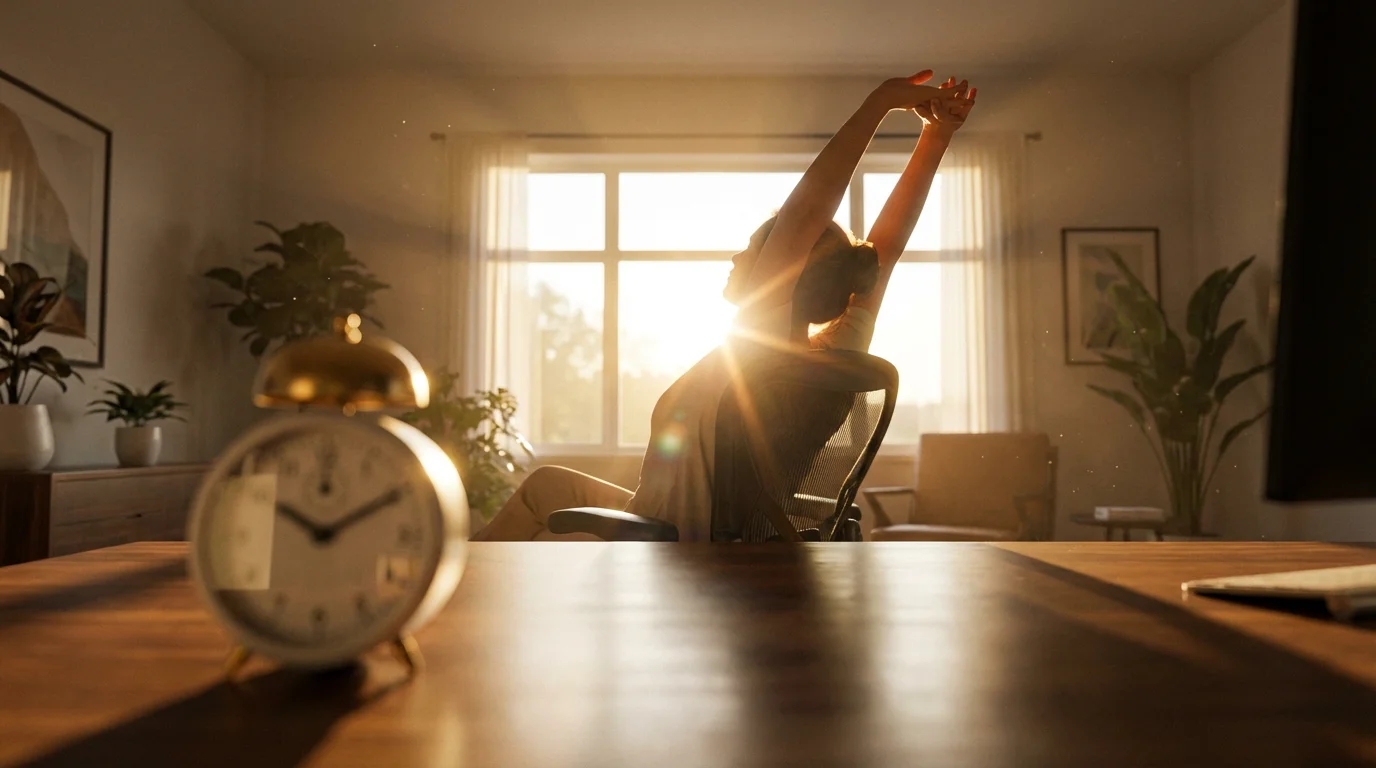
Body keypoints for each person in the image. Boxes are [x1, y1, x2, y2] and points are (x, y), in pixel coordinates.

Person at [472, 71, 977, 541]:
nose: (738, 257)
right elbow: (883, 253)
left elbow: (806, 212)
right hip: (720, 535)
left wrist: (881, 103)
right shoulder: (836, 357)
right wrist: (936, 137)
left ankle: (451, 599)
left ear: (780, 273)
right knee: (550, 485)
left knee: (539, 499)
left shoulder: (759, 345)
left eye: (756, 251)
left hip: (676, 542)